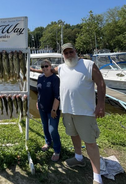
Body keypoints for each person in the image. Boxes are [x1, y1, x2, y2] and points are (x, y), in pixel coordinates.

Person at [54, 43, 106, 184]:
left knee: (90, 143)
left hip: (85, 112)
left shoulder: (88, 64)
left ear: (76, 52)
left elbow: (100, 83)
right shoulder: (61, 68)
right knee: (74, 135)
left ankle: (97, 176)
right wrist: (31, 69)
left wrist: (101, 104)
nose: (69, 55)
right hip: (68, 110)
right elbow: (47, 70)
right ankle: (78, 158)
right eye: (66, 53)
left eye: (71, 52)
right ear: (63, 55)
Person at [37, 59, 61, 161]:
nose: (45, 68)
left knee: (53, 129)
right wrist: (37, 102)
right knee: (45, 126)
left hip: (52, 109)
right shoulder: (40, 77)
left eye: (46, 66)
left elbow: (57, 96)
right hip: (42, 107)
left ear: (50, 66)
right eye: (42, 67)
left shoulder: (55, 79)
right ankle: (47, 142)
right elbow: (39, 92)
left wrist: (54, 110)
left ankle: (57, 150)